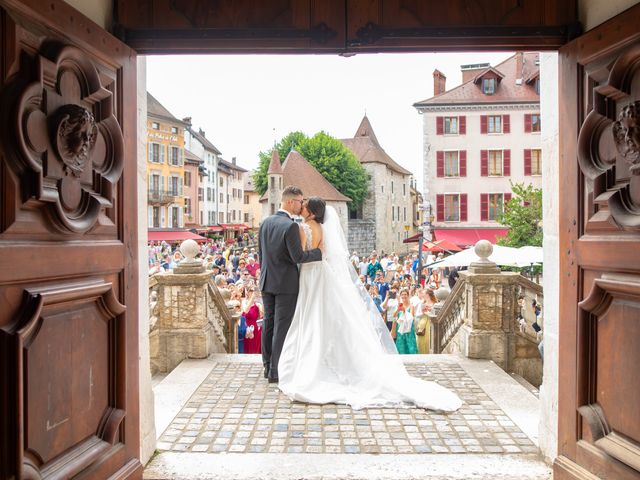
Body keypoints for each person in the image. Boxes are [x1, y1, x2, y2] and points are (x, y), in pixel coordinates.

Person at [278, 197, 462, 412]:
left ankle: (314, 362)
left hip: (310, 274)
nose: (302, 207)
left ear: (310, 211)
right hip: (324, 273)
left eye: (305, 205)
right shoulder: (322, 227)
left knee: (311, 314)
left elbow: (300, 256)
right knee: (324, 314)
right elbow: (324, 252)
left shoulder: (303, 227)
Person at [258, 185, 322, 383]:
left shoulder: (265, 222)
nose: (301, 205)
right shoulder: (291, 226)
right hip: (286, 284)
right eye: (300, 201)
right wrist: (319, 253)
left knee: (268, 323)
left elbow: (261, 255)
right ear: (289, 201)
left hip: (267, 280)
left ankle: (267, 365)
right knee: (281, 326)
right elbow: (298, 256)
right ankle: (276, 371)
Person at [392, 288, 418, 354]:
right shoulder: (398, 305)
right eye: (402, 294)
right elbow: (394, 315)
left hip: (409, 329)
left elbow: (411, 317)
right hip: (400, 328)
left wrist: (404, 310)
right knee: (401, 344)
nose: (404, 296)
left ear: (408, 295)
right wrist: (398, 309)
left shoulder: (411, 306)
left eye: (405, 294)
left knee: (410, 345)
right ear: (400, 296)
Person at [242, 287, 262, 354]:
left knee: (255, 349)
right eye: (251, 290)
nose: (252, 292)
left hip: (255, 329)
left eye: (254, 291)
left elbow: (261, 317)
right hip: (247, 329)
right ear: (247, 292)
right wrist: (252, 299)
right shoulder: (244, 302)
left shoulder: (258, 305)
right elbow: (245, 312)